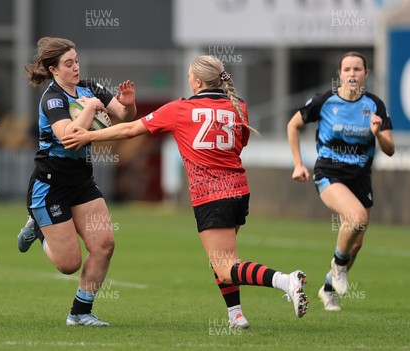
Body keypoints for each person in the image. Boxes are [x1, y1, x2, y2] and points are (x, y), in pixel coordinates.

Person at [62, 55, 308, 328]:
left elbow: (132, 129)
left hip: (212, 196)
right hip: (239, 191)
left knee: (226, 267)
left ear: (198, 81)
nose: (188, 78)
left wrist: (89, 136)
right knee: (222, 260)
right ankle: (235, 314)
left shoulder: (180, 109)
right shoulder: (239, 107)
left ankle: (286, 281)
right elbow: (239, 145)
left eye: (190, 74)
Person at [17, 37, 137, 326]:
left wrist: (129, 105)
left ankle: (80, 313)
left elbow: (122, 115)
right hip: (50, 185)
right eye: (68, 64)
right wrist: (91, 108)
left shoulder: (91, 88)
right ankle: (39, 229)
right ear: (53, 69)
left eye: (77, 61)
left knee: (104, 244)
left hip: (82, 181)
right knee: (68, 264)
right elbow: (68, 137)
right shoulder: (52, 98)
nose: (75, 67)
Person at [287, 51, 395, 312]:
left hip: (360, 178)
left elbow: (390, 149)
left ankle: (327, 288)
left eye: (358, 69)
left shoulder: (375, 106)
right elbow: (293, 125)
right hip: (329, 173)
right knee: (356, 218)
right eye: (347, 69)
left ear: (366, 74)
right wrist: (298, 163)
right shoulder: (325, 101)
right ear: (340, 74)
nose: (352, 74)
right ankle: (337, 268)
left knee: (355, 245)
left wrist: (377, 133)